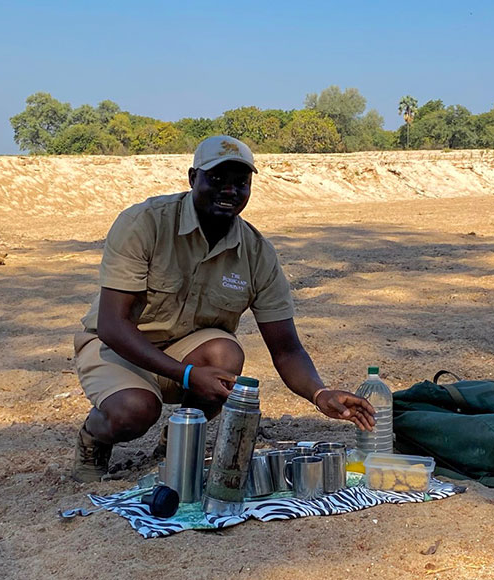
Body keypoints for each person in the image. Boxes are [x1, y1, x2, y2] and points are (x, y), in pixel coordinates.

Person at [72, 135, 376, 482]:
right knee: (135, 411)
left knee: (224, 353)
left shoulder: (257, 253)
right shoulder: (144, 223)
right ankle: (93, 439)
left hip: (185, 353)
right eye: (216, 179)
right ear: (192, 178)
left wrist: (319, 393)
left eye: (240, 183)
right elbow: (112, 324)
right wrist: (186, 375)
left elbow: (287, 348)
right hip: (119, 347)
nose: (229, 190)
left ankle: (176, 442)